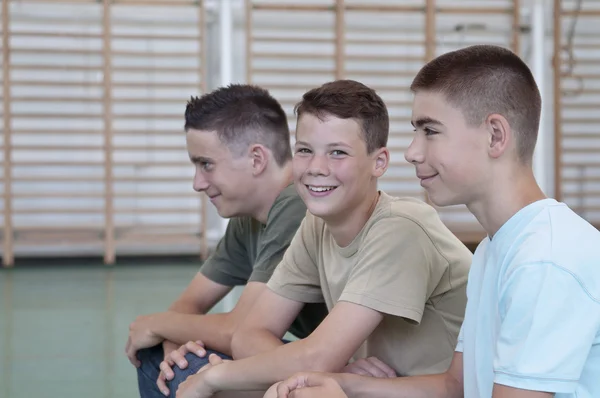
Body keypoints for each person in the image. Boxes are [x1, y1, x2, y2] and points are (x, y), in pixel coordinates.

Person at [268, 44, 600, 398]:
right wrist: (338, 382)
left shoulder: (545, 259)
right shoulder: (495, 247)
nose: (412, 152)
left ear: (495, 136)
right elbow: (454, 386)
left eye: (430, 131)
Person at [174, 79, 473, 398]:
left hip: (421, 391)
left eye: (338, 153)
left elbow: (318, 356)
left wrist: (213, 377)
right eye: (305, 150)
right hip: (363, 386)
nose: (316, 167)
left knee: (207, 379)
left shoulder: (402, 228)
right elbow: (249, 335)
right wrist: (331, 371)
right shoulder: (315, 224)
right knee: (181, 367)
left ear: (379, 162)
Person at [125, 84, 328, 398]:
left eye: (206, 164)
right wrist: (170, 342)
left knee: (182, 371)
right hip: (308, 358)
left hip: (354, 370)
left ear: (257, 159)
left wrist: (157, 323)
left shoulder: (296, 205)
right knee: (165, 357)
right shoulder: (249, 216)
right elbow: (190, 305)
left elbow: (241, 329)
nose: (197, 183)